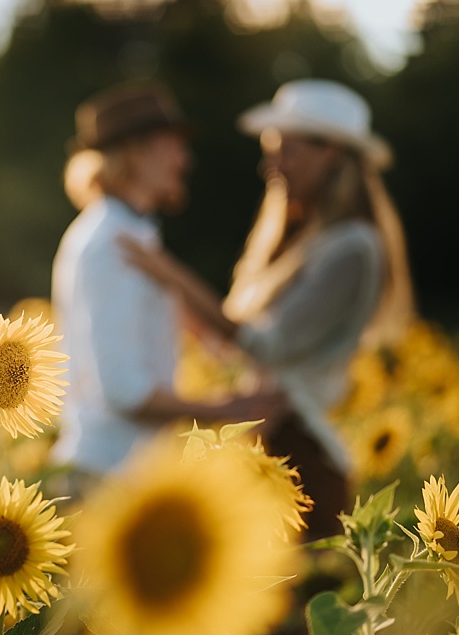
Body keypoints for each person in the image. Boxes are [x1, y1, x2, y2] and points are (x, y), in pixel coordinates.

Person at [119, 79, 413, 538]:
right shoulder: (298, 239)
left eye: (286, 152)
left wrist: (169, 273)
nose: (270, 166)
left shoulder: (355, 248)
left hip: (302, 461)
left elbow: (266, 345)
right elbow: (234, 343)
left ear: (332, 154)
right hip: (263, 446)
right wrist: (166, 298)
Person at [48, 80, 282, 495]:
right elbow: (124, 391)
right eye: (172, 145)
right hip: (106, 478)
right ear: (136, 153)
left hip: (123, 472)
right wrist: (226, 409)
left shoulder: (129, 234)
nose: (184, 160)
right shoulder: (111, 245)